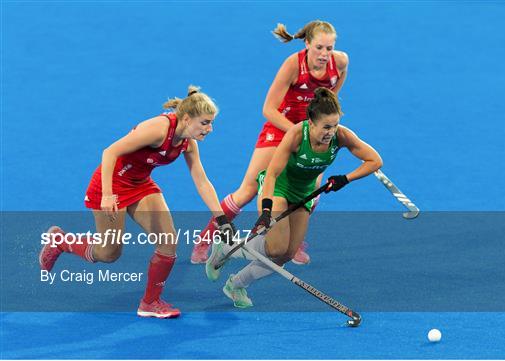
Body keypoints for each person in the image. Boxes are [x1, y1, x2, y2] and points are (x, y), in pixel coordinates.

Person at [39, 86, 237, 318]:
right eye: (205, 122)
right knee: (109, 253)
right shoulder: (158, 129)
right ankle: (60, 241)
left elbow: (202, 181)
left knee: (168, 241)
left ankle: (150, 302)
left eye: (211, 123)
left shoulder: (188, 143)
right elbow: (110, 152)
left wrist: (221, 219)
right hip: (110, 184)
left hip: (140, 184)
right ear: (186, 118)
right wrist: (107, 194)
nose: (210, 129)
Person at [205, 88, 383, 308]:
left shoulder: (342, 136)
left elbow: (375, 161)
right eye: (326, 127)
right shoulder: (297, 135)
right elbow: (271, 174)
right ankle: (226, 248)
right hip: (278, 188)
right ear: (311, 122)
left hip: (304, 194)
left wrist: (345, 179)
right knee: (276, 248)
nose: (331, 132)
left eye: (334, 125)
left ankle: (236, 284)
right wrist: (267, 210)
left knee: (286, 255)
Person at [191, 20, 349, 265]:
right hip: (281, 128)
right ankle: (206, 239)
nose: (324, 54)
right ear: (307, 43)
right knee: (249, 190)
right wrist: (299, 133)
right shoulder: (293, 66)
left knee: (309, 192)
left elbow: (331, 98)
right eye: (319, 47)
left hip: (312, 131)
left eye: (329, 48)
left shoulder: (340, 62)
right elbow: (268, 109)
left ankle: (294, 240)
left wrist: (325, 123)